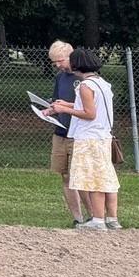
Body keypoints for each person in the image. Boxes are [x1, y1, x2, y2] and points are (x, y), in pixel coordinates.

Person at [47, 49, 120, 230]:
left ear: (77, 64)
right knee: (106, 177)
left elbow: (89, 113)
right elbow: (92, 106)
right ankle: (112, 219)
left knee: (92, 179)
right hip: (102, 136)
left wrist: (65, 110)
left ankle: (97, 220)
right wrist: (67, 103)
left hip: (89, 138)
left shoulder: (85, 86)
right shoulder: (102, 83)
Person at [45, 41, 85, 225]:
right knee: (66, 176)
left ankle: (95, 217)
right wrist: (50, 109)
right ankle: (78, 218)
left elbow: (89, 107)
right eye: (54, 62)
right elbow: (56, 101)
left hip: (79, 134)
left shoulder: (83, 77)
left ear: (71, 56)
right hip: (60, 132)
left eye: (60, 61)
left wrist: (65, 107)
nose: (57, 65)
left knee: (81, 178)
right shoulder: (60, 78)